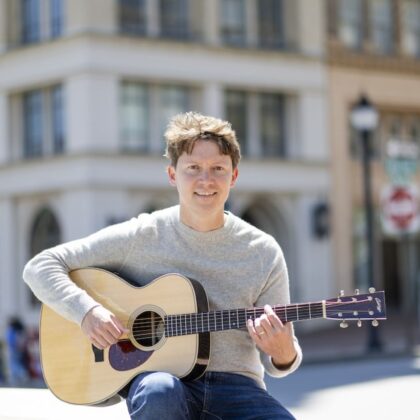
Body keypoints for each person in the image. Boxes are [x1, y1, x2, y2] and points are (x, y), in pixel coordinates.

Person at [23, 112, 302, 419]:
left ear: (233, 176)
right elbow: (40, 266)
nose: (206, 180)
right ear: (172, 175)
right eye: (193, 168)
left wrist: (283, 352)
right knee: (159, 391)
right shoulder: (142, 234)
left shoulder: (262, 251)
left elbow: (280, 360)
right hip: (161, 381)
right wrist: (87, 312)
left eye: (218, 169)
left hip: (235, 388)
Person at [5, 316, 29, 385]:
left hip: (14, 349)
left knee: (15, 363)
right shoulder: (18, 330)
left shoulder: (12, 330)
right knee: (17, 363)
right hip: (18, 349)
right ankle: (18, 377)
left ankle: (22, 375)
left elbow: (10, 340)